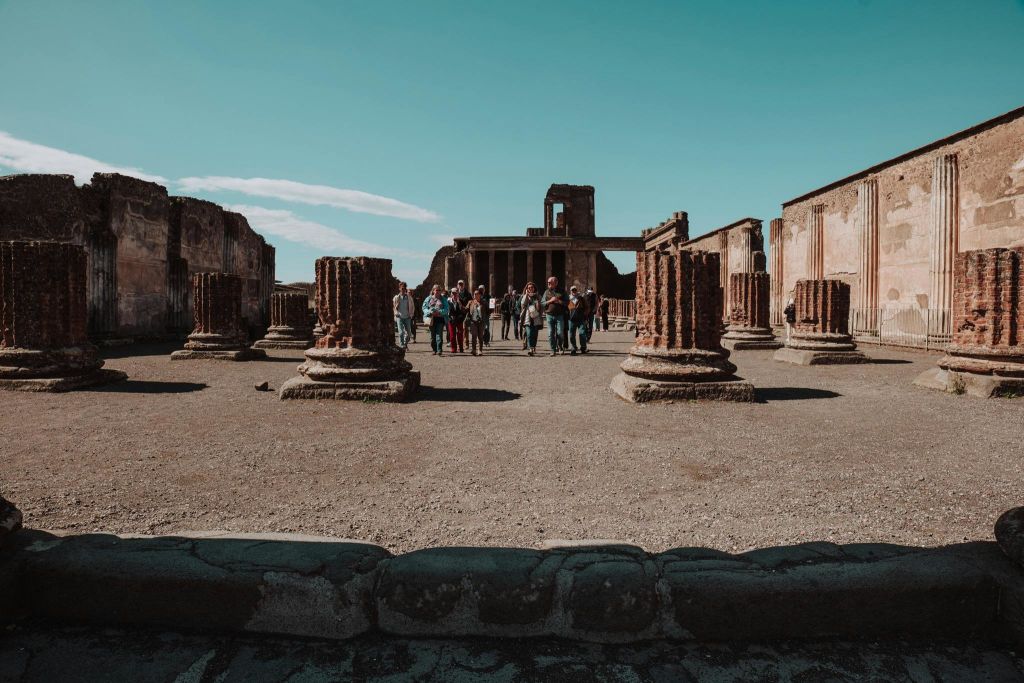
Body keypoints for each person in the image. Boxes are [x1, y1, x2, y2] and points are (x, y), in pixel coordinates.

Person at [542, 276, 567, 356]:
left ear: (556, 283)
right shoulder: (546, 292)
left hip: (559, 315)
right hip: (549, 315)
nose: (548, 283)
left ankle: (560, 347)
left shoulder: (562, 291)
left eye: (550, 282)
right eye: (548, 282)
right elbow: (542, 303)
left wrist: (559, 301)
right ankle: (553, 349)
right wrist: (550, 301)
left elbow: (568, 303)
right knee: (550, 333)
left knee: (560, 333)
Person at [422, 285, 449, 355]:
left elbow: (447, 309)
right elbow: (424, 308)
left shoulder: (443, 299)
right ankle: (434, 349)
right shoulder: (428, 298)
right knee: (432, 336)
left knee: (439, 335)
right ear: (433, 290)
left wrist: (439, 312)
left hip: (440, 319)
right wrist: (430, 312)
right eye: (436, 290)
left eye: (439, 290)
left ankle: (439, 350)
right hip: (431, 319)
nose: (437, 291)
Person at [520, 281, 542, 356]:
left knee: (535, 334)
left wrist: (538, 303)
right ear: (527, 289)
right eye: (529, 288)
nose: (530, 289)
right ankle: (530, 348)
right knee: (529, 334)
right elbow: (522, 305)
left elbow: (540, 307)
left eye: (531, 287)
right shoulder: (525, 296)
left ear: (534, 288)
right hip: (527, 317)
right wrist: (526, 295)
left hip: (536, 316)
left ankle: (533, 346)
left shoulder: (538, 296)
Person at [566, 286, 590, 355]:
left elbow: (587, 307)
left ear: (577, 290)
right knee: (571, 334)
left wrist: (584, 314)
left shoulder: (581, 298)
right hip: (571, 319)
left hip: (580, 318)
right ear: (570, 291)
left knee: (582, 333)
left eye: (575, 290)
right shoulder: (568, 299)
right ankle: (573, 348)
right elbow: (565, 308)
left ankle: (583, 347)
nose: (574, 291)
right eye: (572, 290)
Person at [392, 282, 416, 349]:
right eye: (402, 288)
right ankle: (402, 346)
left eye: (404, 288)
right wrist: (396, 313)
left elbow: (412, 306)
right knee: (401, 332)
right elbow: (393, 307)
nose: (403, 289)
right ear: (399, 288)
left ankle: (405, 343)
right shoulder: (396, 297)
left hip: (407, 317)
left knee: (408, 333)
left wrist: (411, 314)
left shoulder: (409, 297)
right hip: (399, 316)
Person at [466, 289, 487, 355]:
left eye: (477, 294)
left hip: (481, 321)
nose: (475, 295)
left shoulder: (484, 302)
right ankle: (474, 349)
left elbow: (489, 311)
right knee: (474, 336)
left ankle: (480, 350)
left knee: (480, 336)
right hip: (473, 321)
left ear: (480, 295)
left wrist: (493, 305)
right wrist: (460, 305)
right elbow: (465, 309)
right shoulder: (470, 302)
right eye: (474, 294)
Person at [447, 287, 466, 353]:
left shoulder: (461, 301)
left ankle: (461, 348)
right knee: (452, 335)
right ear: (451, 294)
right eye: (453, 293)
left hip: (459, 320)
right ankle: (453, 348)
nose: (454, 295)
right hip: (451, 320)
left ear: (458, 293)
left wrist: (461, 318)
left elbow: (464, 311)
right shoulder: (448, 301)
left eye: (456, 293)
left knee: (460, 335)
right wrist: (449, 318)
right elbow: (447, 312)